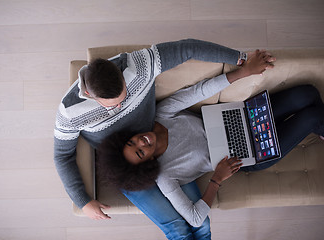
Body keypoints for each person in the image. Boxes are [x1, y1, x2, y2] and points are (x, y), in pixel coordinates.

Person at [54, 38, 263, 239]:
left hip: (160, 149)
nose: (120, 107)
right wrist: (82, 200)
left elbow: (188, 47)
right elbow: (62, 155)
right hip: (126, 165)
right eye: (112, 105)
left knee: (202, 224)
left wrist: (241, 58)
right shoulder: (69, 113)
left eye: (124, 96)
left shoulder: (139, 64)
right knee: (179, 231)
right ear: (90, 94)